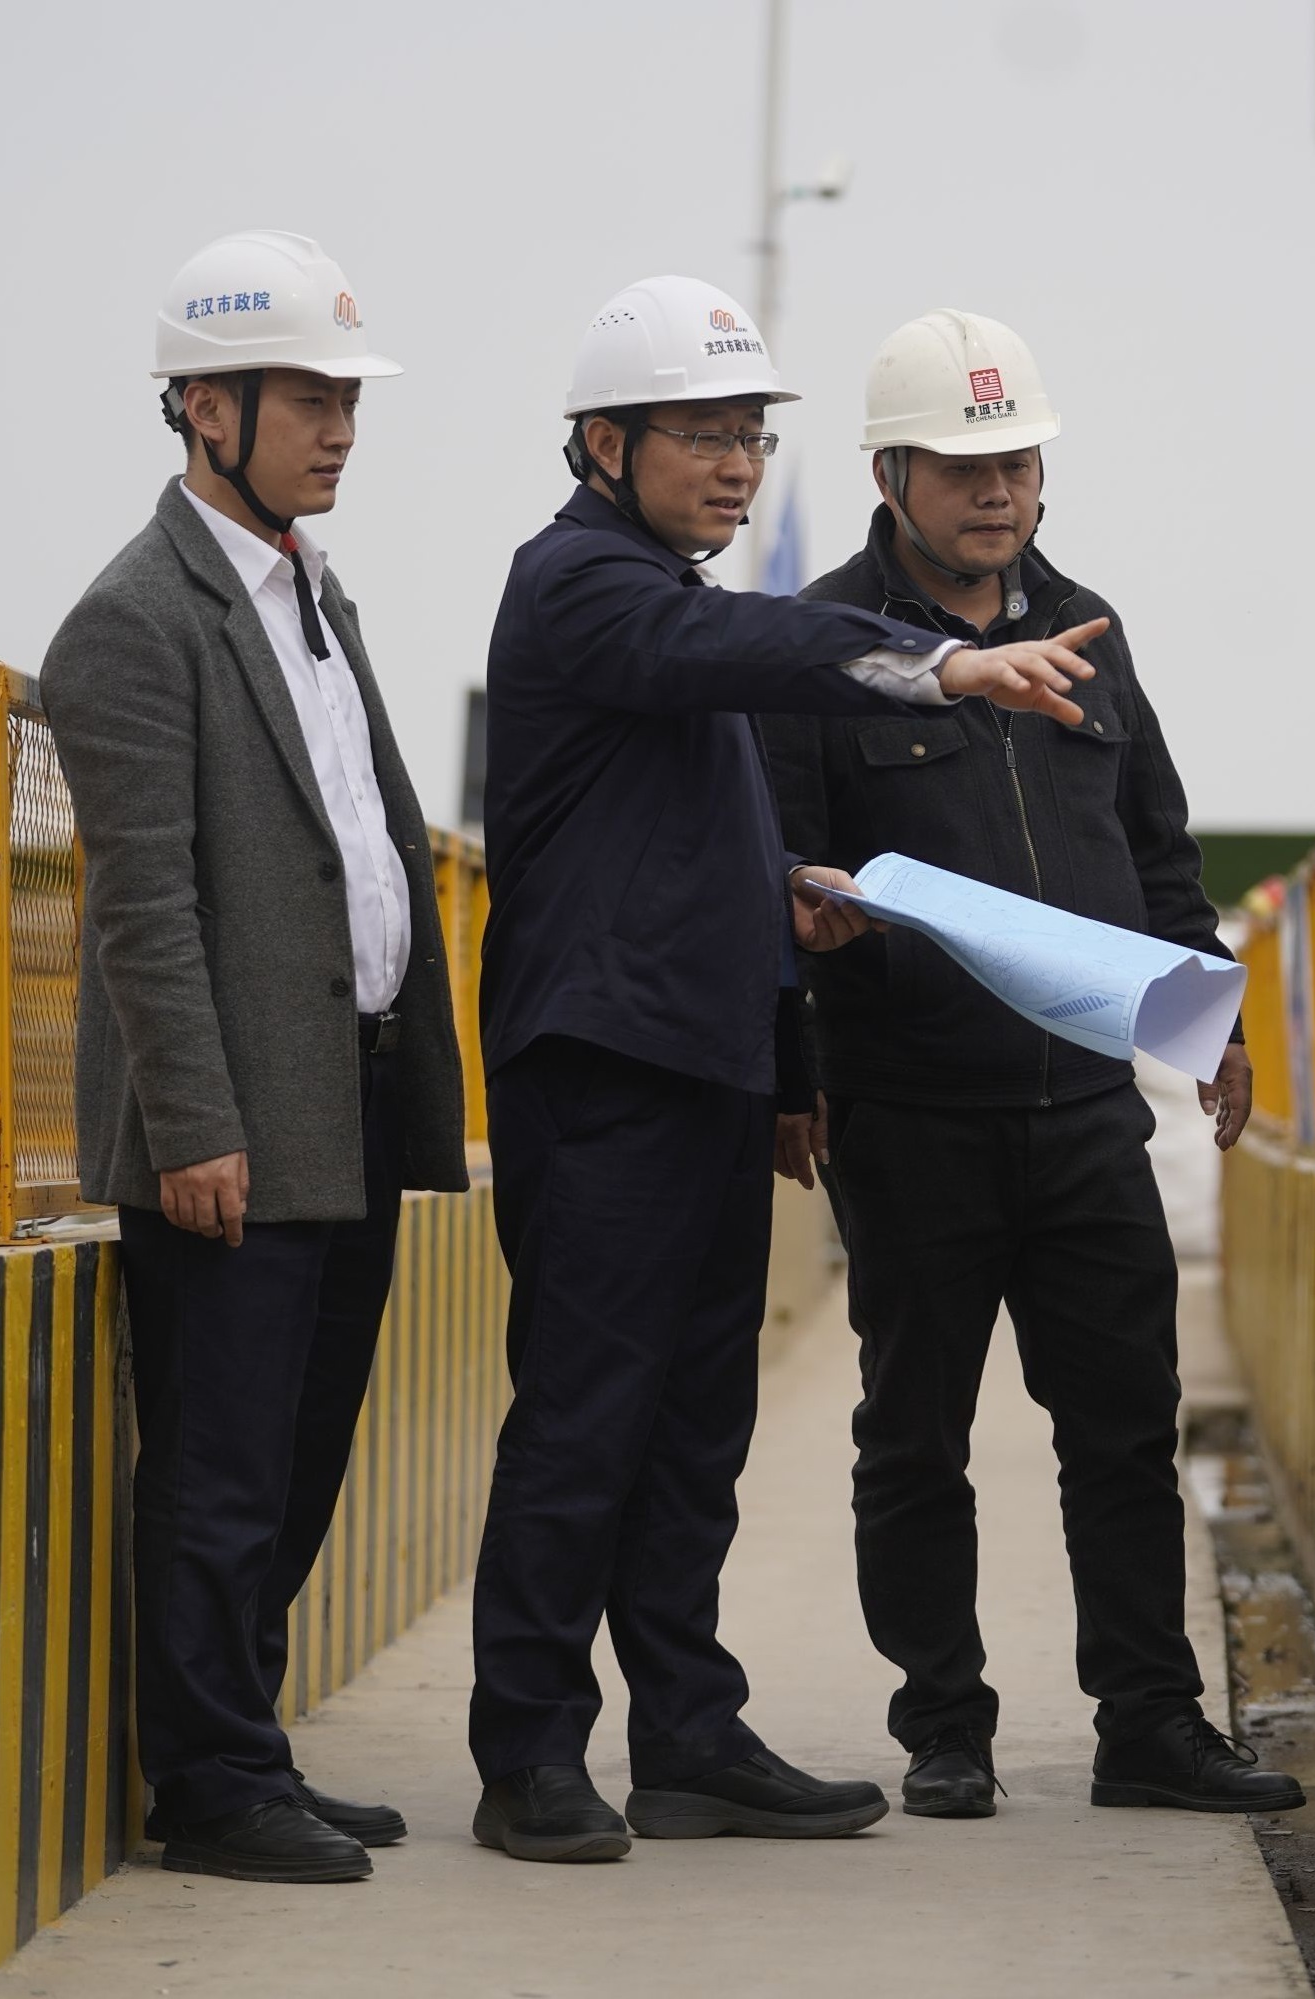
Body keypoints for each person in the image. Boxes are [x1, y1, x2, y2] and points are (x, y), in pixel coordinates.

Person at [469, 275, 1109, 1864]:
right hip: (600, 1072)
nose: (737, 465)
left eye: (750, 436)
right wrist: (940, 666)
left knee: (694, 1428)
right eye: (702, 435)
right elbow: (739, 646)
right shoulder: (581, 584)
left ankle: (686, 1738)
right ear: (605, 445)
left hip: (697, 1071)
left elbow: (707, 850)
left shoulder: (671, 599)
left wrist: (781, 1041)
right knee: (583, 1421)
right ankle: (528, 1752)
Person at [760, 309, 1305, 1822]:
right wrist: (794, 1062)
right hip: (907, 1112)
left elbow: (1155, 849)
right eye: (962, 465)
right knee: (913, 1437)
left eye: (1015, 460)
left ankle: (1150, 1725)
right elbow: (776, 869)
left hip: (1081, 1111)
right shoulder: (824, 646)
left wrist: (1210, 1023)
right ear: (889, 475)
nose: (996, 490)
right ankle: (945, 1727)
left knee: (1123, 1428)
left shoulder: (1089, 630)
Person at [41, 230, 469, 1884]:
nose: (339, 429)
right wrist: (194, 1125)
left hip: (344, 1094)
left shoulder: (307, 594)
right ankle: (212, 1787)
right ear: (203, 407)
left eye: (349, 400)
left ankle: (251, 1746)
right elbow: (144, 910)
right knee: (220, 1473)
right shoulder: (132, 623)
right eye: (306, 400)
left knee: (300, 1454)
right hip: (233, 1123)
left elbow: (353, 837)